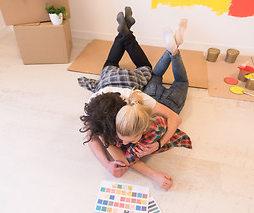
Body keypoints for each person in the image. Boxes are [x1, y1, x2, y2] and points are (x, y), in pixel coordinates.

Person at [79, 7, 191, 190]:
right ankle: (126, 32)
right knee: (113, 64)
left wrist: (159, 144)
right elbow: (94, 136)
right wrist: (108, 162)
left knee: (152, 71)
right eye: (122, 140)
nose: (122, 143)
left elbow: (97, 139)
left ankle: (129, 33)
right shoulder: (99, 116)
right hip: (107, 80)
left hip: (124, 86)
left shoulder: (136, 99)